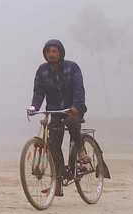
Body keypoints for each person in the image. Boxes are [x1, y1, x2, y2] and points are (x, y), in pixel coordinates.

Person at [27, 38, 89, 197]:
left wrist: (77, 105)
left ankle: (80, 148)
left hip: (73, 109)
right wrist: (34, 107)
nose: (51, 54)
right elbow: (39, 92)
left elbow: (78, 88)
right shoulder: (42, 71)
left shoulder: (72, 68)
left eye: (54, 51)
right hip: (54, 111)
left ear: (61, 53)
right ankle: (58, 183)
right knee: (53, 145)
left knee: (71, 122)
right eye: (48, 52)